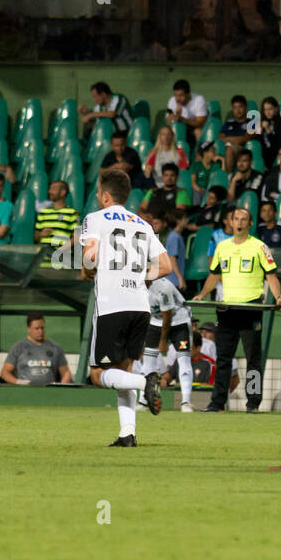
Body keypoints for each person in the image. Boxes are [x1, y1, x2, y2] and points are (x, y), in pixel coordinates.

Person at [80, 170, 172, 444]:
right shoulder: (142, 224)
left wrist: (87, 270)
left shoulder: (95, 219)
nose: (98, 197)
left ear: (106, 196)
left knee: (98, 374)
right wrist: (137, 275)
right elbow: (165, 266)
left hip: (112, 304)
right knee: (122, 372)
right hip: (140, 305)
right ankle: (127, 434)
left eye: (98, 193)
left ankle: (147, 384)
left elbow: (90, 256)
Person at [192, 205, 281, 414]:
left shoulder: (260, 247)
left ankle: (253, 404)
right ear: (230, 222)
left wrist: (278, 297)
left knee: (253, 359)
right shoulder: (222, 247)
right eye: (236, 219)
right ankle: (217, 403)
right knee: (223, 358)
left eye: (244, 219)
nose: (240, 223)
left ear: (250, 224)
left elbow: (271, 276)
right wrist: (203, 294)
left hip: (251, 308)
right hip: (226, 309)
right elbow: (214, 275)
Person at [138, 278, 193, 411]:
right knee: (148, 361)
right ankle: (143, 400)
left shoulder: (163, 288)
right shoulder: (134, 287)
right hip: (155, 321)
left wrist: (163, 341)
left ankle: (185, 402)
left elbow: (167, 317)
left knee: (183, 359)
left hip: (178, 320)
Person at [1, 314, 72, 387]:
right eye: (37, 328)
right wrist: (18, 382)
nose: (40, 331)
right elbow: (5, 372)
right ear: (28, 329)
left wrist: (61, 387)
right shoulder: (19, 347)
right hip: (25, 391)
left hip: (49, 392)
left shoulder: (55, 348)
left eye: (42, 328)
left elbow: (66, 372)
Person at [35, 179, 79, 267]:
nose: (49, 191)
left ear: (63, 192)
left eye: (53, 189)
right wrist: (40, 235)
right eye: (50, 189)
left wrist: (59, 251)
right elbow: (36, 237)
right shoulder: (43, 212)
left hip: (61, 262)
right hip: (42, 262)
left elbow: (77, 238)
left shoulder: (73, 213)